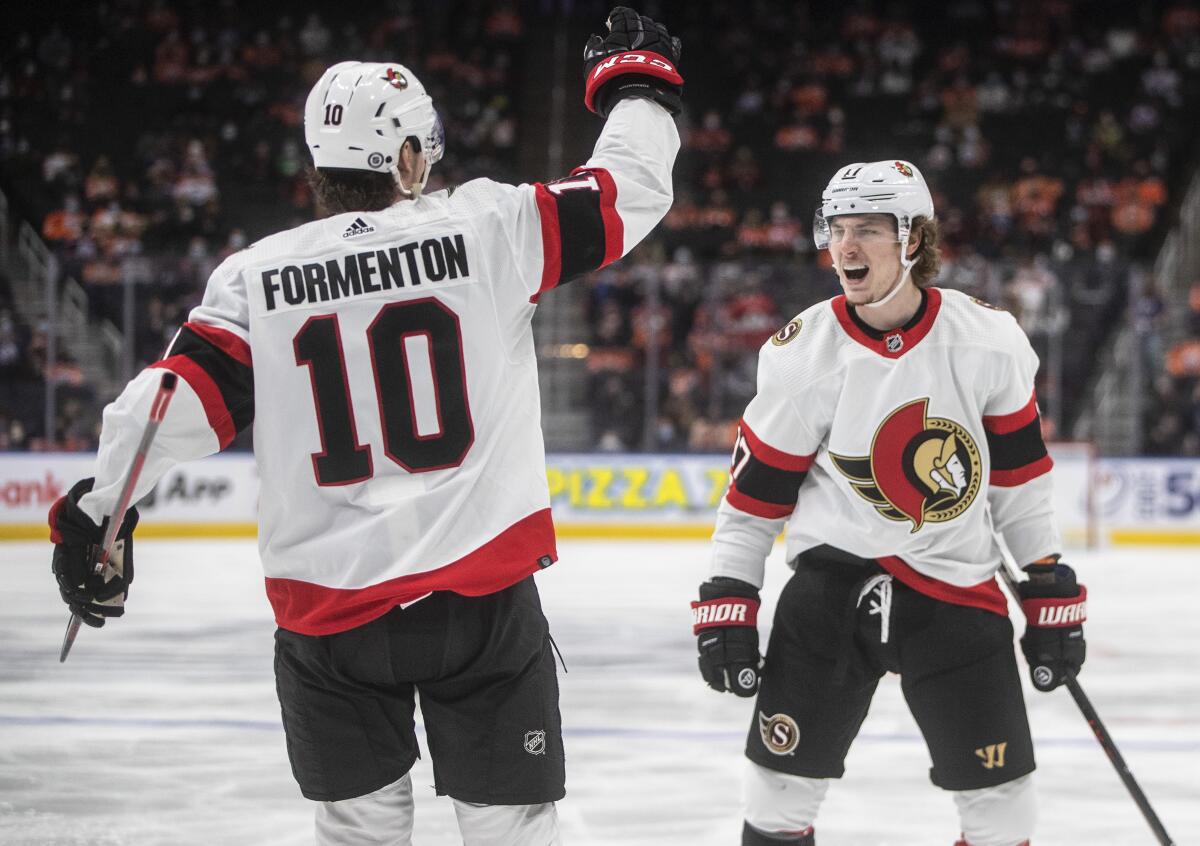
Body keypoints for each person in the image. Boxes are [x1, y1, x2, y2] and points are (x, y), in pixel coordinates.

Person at [48, 8, 682, 844]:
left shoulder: (253, 277)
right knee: (512, 829)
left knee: (358, 833)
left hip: (330, 618)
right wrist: (636, 84)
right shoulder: (490, 225)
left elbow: (170, 402)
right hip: (479, 604)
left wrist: (100, 517)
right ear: (411, 157)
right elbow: (625, 189)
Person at [691, 160, 1087, 846]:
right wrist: (729, 596)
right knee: (778, 797)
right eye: (837, 229)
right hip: (832, 594)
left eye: (867, 230)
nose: (843, 248)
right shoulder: (802, 353)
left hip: (956, 593)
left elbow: (1019, 485)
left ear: (914, 239)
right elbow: (753, 503)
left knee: (1004, 810)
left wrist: (1045, 579)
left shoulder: (987, 341)